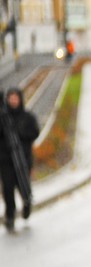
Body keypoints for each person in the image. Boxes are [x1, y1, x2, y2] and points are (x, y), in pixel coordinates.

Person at [0, 88, 40, 231]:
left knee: (23, 185)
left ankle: (27, 203)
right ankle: (10, 216)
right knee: (8, 190)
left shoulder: (27, 117)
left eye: (15, 98)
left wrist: (21, 134)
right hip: (6, 161)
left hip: (23, 159)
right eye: (10, 98)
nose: (13, 101)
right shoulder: (4, 118)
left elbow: (35, 132)